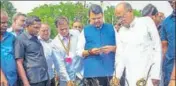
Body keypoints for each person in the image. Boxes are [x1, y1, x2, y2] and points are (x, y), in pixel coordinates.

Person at [111, 2, 162, 86]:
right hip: (130, 77)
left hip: (148, 76)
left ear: (130, 11)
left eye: (122, 16)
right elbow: (120, 57)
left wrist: (156, 75)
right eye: (118, 18)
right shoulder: (121, 32)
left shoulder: (146, 22)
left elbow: (157, 47)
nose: (121, 20)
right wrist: (116, 77)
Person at [76, 4, 116, 86]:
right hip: (91, 75)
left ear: (102, 16)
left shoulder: (112, 28)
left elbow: (122, 48)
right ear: (89, 17)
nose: (97, 20)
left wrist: (112, 48)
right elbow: (78, 52)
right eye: (93, 18)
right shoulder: (85, 30)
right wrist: (90, 52)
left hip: (111, 74)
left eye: (99, 18)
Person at [15, 16, 49, 86]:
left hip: (44, 78)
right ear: (27, 26)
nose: (38, 30)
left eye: (39, 27)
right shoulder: (20, 40)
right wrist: (25, 82)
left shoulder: (35, 38)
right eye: (36, 27)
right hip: (32, 80)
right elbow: (18, 63)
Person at [51, 16, 81, 86]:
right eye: (61, 29)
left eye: (66, 28)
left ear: (68, 25)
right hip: (66, 77)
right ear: (56, 28)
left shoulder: (76, 33)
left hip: (79, 75)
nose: (64, 31)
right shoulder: (54, 43)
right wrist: (68, 80)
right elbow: (59, 64)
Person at [160, 1, 176, 86]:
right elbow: (164, 47)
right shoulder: (166, 22)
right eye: (170, 1)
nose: (172, 3)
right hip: (168, 70)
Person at [0, 9, 17, 86]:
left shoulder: (12, 37)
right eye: (2, 22)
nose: (6, 25)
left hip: (12, 80)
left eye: (7, 22)